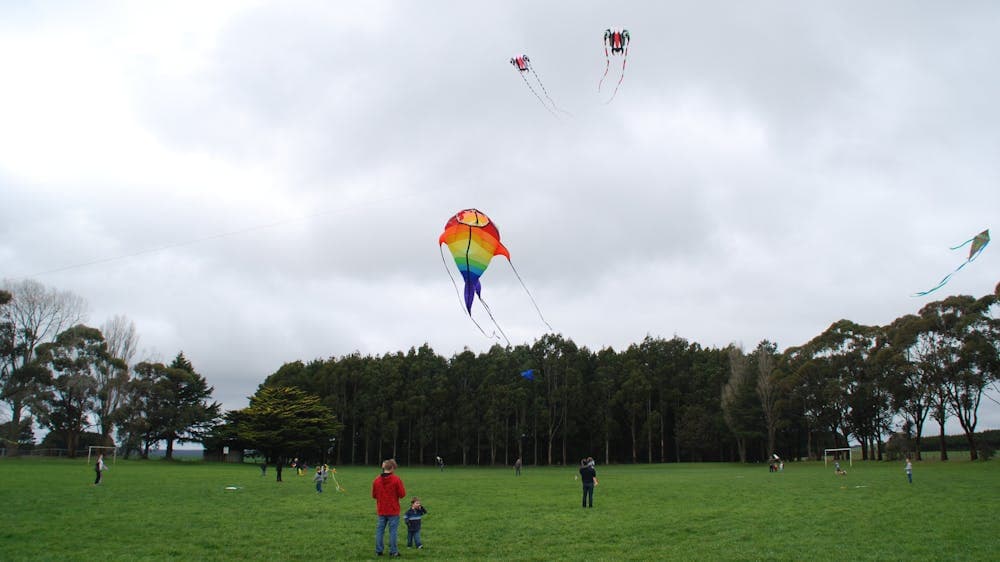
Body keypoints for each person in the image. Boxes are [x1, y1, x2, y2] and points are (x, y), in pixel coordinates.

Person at [372, 459, 406, 557]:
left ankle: (379, 550)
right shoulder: (396, 479)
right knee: (393, 531)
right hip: (393, 509)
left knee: (380, 531)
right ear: (392, 468)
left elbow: (374, 495)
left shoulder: (376, 480)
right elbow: (402, 494)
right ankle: (393, 551)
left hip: (381, 509)